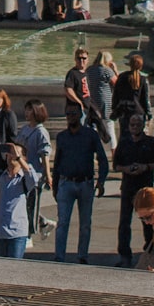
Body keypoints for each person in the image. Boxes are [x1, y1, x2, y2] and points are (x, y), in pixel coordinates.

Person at [51, 103, 109, 264]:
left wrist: (101, 181)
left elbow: (102, 159)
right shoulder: (62, 136)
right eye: (68, 114)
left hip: (85, 183)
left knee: (85, 223)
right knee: (62, 222)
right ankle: (59, 256)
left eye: (74, 114)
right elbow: (57, 163)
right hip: (66, 183)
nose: (71, 117)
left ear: (80, 115)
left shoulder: (90, 135)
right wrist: (55, 185)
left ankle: (82, 255)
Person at [112, 114, 154, 268]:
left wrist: (146, 167)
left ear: (143, 126)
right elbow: (116, 165)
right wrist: (126, 169)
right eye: (132, 124)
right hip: (128, 187)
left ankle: (150, 250)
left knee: (149, 221)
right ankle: (124, 254)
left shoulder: (151, 142)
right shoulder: (124, 143)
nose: (134, 127)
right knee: (124, 222)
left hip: (145, 189)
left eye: (137, 124)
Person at [16, 99, 55, 241]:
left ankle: (28, 235)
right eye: (26, 109)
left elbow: (45, 155)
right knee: (23, 203)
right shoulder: (25, 129)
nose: (27, 113)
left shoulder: (41, 132)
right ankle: (43, 223)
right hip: (21, 172)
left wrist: (48, 175)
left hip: (35, 174)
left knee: (31, 204)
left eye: (30, 110)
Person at [111, 54, 152, 142]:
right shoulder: (143, 79)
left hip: (124, 111)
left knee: (124, 137)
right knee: (138, 137)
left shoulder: (122, 77)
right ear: (141, 66)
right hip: (138, 112)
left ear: (130, 64)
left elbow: (116, 95)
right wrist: (149, 114)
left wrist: (114, 109)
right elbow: (146, 99)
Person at [86, 51, 118, 154]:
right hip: (106, 102)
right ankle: (114, 153)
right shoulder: (107, 71)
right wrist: (115, 70)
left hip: (93, 102)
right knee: (109, 127)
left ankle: (94, 153)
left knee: (94, 126)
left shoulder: (89, 70)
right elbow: (117, 84)